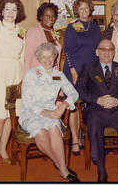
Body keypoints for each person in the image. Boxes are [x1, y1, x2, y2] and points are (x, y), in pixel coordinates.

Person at [76, 39, 118, 182]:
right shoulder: (88, 68)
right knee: (94, 123)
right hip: (96, 109)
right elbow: (80, 89)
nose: (106, 53)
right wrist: (97, 99)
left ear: (114, 52)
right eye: (103, 50)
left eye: (110, 50)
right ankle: (101, 171)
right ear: (97, 52)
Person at [19, 43, 80, 182]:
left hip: (52, 111)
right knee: (41, 133)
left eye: (50, 56)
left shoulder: (58, 75)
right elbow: (27, 101)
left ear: (55, 57)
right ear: (38, 58)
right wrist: (46, 113)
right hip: (31, 112)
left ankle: (61, 166)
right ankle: (62, 167)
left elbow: (73, 93)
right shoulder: (31, 73)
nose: (47, 60)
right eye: (44, 57)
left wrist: (62, 106)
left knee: (54, 129)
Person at [0, 0, 26, 166]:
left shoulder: (22, 31)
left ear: (18, 12)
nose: (10, 13)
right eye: (7, 9)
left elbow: (23, 57)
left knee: (11, 116)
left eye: (14, 9)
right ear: (1, 11)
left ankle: (4, 148)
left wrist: (22, 79)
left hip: (16, 74)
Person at [63, 0, 101, 155]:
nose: (84, 10)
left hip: (89, 71)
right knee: (73, 104)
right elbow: (68, 51)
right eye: (81, 8)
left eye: (87, 7)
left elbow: (97, 51)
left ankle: (84, 136)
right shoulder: (72, 27)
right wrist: (73, 71)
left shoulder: (95, 28)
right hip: (73, 70)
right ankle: (75, 141)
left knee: (86, 104)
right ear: (76, 10)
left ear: (90, 9)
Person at [24, 2, 62, 72]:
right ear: (41, 17)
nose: (50, 18)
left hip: (52, 74)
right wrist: (26, 78)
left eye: (53, 16)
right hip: (37, 74)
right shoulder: (34, 32)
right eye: (47, 15)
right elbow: (28, 57)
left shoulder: (54, 33)